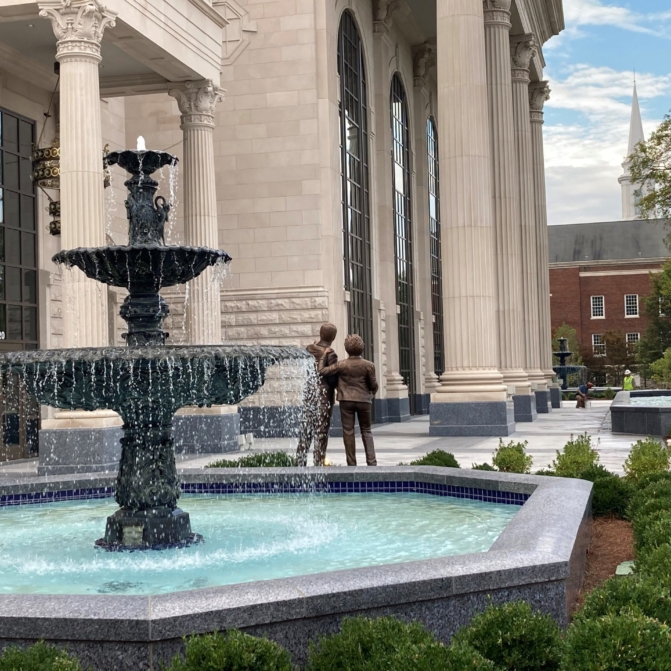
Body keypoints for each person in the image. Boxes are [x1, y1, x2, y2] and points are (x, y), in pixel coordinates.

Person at [319, 334, 378, 466]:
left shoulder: (341, 365)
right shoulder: (369, 365)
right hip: (364, 400)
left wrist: (324, 354)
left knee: (348, 431)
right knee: (366, 431)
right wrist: (371, 393)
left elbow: (322, 371)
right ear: (362, 347)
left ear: (347, 349)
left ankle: (351, 464)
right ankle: (372, 463)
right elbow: (374, 385)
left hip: (346, 401)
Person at [296, 323, 338, 466]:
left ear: (320, 334)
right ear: (333, 337)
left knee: (306, 430)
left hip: (309, 393)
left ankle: (299, 464)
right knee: (321, 432)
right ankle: (318, 465)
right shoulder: (330, 353)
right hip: (323, 395)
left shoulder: (309, 349)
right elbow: (332, 379)